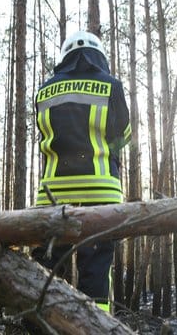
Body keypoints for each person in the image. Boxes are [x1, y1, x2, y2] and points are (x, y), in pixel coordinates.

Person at [32, 30, 131, 313]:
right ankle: (96, 326)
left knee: (49, 267)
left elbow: (43, 133)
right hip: (101, 190)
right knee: (97, 268)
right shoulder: (112, 85)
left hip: (53, 193)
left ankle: (45, 323)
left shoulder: (44, 90)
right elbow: (123, 134)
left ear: (64, 57)